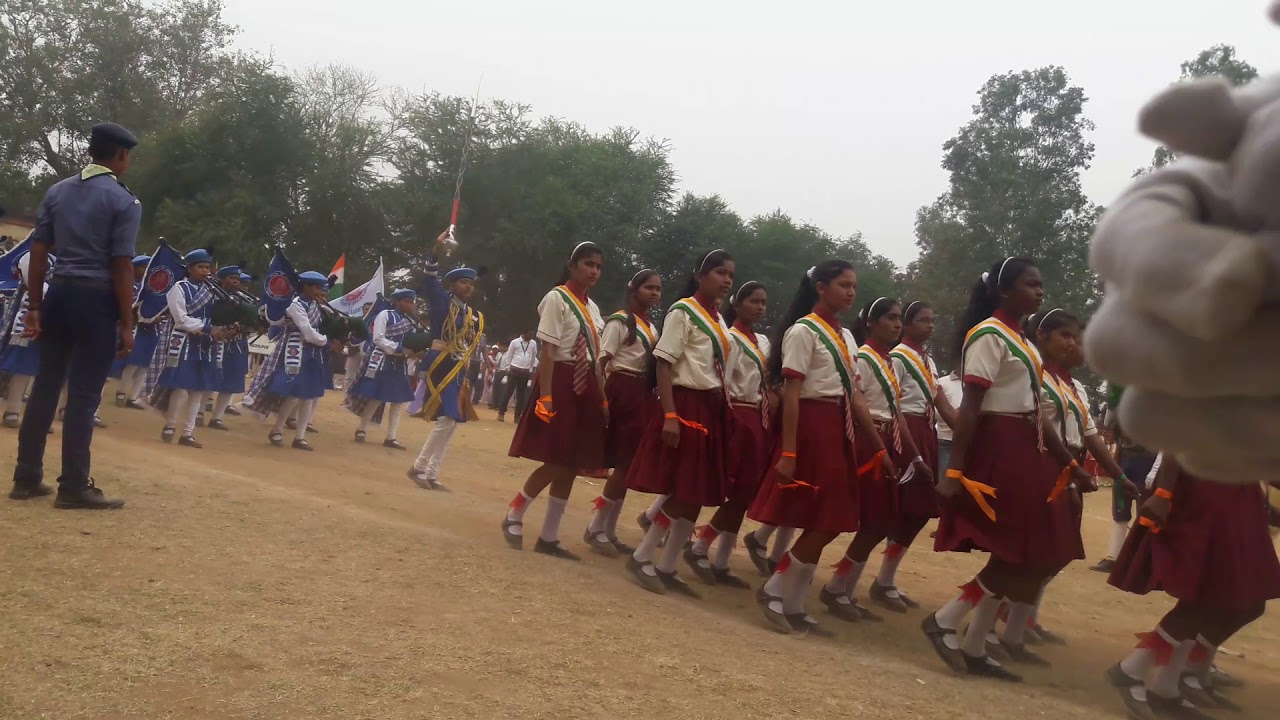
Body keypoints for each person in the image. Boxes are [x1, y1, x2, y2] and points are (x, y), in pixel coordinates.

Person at [922, 257, 1089, 682]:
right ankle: (946, 620)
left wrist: (1071, 463)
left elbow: (1038, 415)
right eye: (1030, 284)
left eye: (1040, 285)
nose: (1039, 291)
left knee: (1033, 550)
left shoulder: (1025, 342)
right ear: (1003, 291)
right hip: (999, 446)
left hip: (1027, 446)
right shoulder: (988, 335)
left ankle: (975, 642)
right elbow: (972, 407)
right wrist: (955, 471)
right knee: (1018, 546)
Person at [747, 261, 898, 634]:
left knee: (833, 520)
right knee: (823, 517)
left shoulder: (847, 337)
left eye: (853, 286)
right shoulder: (803, 331)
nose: (850, 292)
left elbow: (857, 396)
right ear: (820, 288)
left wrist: (878, 447)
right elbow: (794, 393)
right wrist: (789, 451)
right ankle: (776, 588)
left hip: (840, 426)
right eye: (843, 285)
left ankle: (794, 603)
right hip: (814, 425)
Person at [9, 122, 140, 509]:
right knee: (83, 394)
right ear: (120, 156)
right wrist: (127, 323)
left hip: (59, 295)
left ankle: (27, 476)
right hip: (96, 300)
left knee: (46, 385)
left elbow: (38, 252)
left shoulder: (57, 191)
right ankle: (74, 486)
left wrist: (35, 306)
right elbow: (121, 265)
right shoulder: (124, 201)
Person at [1105, 456, 1280, 718]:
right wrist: (1164, 493)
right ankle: (1132, 670)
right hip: (1207, 489)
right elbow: (1180, 436)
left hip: (1237, 489)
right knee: (1210, 596)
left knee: (1228, 596)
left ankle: (1165, 685)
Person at [819, 297, 932, 619]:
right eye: (891, 318)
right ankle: (818, 586)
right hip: (868, 442)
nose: (897, 324)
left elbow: (896, 412)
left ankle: (842, 589)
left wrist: (915, 457)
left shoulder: (888, 362)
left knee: (880, 521)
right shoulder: (865, 358)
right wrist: (879, 448)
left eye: (899, 318)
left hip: (888, 439)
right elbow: (859, 405)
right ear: (871, 322)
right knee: (857, 519)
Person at [502, 242, 607, 560]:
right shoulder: (556, 298)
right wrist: (545, 395)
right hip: (560, 381)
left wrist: (602, 397)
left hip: (586, 384)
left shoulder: (594, 309)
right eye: (588, 264)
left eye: (599, 267)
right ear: (572, 265)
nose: (594, 271)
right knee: (558, 458)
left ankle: (549, 536)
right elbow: (548, 351)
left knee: (573, 463)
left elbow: (596, 359)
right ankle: (514, 513)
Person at [682, 280, 768, 588]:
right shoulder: (729, 338)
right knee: (724, 487)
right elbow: (724, 379)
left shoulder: (762, 342)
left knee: (745, 492)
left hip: (756, 416)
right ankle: (699, 545)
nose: (759, 307)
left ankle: (721, 560)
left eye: (763, 303)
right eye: (753, 301)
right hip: (734, 414)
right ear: (737, 303)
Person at [881, 301, 958, 609]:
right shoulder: (899, 357)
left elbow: (942, 403)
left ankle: (886, 578)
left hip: (927, 431)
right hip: (906, 431)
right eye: (923, 320)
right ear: (908, 325)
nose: (930, 325)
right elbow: (893, 404)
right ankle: (863, 580)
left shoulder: (927, 360)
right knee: (897, 508)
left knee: (919, 511)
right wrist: (910, 450)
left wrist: (968, 435)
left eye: (933, 320)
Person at [582, 269, 662, 557]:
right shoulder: (619, 321)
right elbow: (602, 362)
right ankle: (595, 527)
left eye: (657, 289)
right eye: (648, 287)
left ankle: (609, 529)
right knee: (622, 466)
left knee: (627, 467)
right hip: (622, 390)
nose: (654, 293)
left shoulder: (652, 328)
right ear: (634, 290)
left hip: (642, 394)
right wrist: (602, 399)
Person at [407, 232, 486, 490]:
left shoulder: (472, 314)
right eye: (463, 282)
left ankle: (431, 473)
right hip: (440, 361)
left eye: (471, 284)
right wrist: (437, 248)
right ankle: (419, 467)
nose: (468, 287)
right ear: (452, 285)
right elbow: (429, 278)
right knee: (448, 419)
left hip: (458, 366)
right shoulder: (441, 301)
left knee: (452, 422)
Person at [242, 271, 332, 450]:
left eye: (321, 288)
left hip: (312, 353)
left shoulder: (318, 306)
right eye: (315, 287)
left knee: (309, 395)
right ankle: (277, 429)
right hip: (294, 351)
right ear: (305, 286)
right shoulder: (295, 305)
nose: (318, 291)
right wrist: (326, 340)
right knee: (293, 395)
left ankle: (300, 436)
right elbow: (306, 330)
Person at [148, 250, 227, 448]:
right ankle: (170, 425)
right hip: (183, 343)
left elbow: (219, 315)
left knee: (198, 390)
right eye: (200, 267)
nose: (205, 271)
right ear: (190, 268)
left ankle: (188, 433)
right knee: (181, 388)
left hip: (205, 345)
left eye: (207, 268)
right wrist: (208, 328)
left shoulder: (213, 290)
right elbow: (180, 319)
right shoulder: (179, 288)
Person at [346, 289, 418, 449]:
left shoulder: (410, 321)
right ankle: (362, 429)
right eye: (406, 301)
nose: (409, 304)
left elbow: (411, 341)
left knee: (398, 400)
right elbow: (378, 338)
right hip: (382, 360)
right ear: (397, 302)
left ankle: (391, 437)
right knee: (376, 397)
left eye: (411, 302)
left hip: (400, 363)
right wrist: (398, 348)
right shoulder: (385, 314)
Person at [0, 249, 46, 428]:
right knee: (10, 365)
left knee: (26, 368)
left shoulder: (65, 261)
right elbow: (36, 285)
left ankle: (13, 410)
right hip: (22, 322)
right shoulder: (32, 256)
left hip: (44, 323)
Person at [207, 265, 250, 430]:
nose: (236, 281)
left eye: (238, 279)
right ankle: (199, 413)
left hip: (236, 344)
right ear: (222, 279)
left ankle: (217, 417)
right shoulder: (212, 296)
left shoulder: (244, 299)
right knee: (210, 378)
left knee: (231, 381)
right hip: (216, 342)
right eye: (232, 278)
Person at [110, 253, 150, 406]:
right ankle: (121, 391)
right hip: (134, 326)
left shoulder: (148, 287)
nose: (145, 271)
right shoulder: (130, 285)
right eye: (142, 267)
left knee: (144, 364)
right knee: (132, 362)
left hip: (150, 329)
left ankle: (134, 397)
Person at [497, 330, 537, 422]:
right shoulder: (515, 342)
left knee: (521, 395)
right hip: (514, 370)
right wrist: (507, 372)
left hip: (525, 372)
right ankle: (501, 413)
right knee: (508, 392)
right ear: (524, 333)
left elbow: (533, 357)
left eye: (532, 334)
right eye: (530, 334)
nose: (531, 336)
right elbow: (509, 356)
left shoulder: (533, 343)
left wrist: (530, 372)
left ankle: (517, 416)